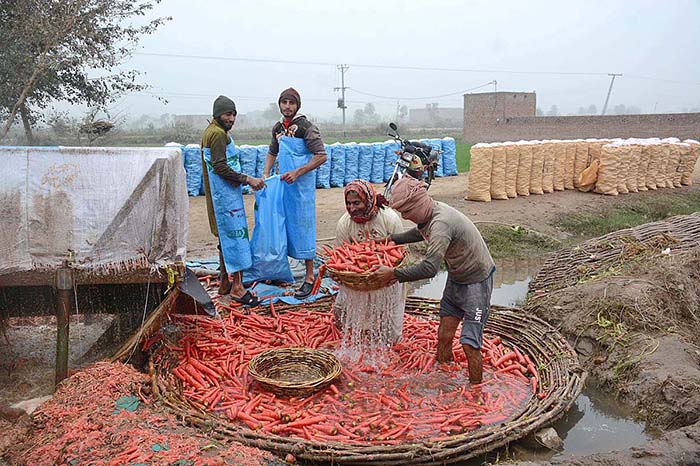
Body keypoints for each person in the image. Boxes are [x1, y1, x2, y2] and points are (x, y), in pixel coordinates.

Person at [370, 176, 496, 384]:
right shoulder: (430, 215)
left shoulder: (441, 223)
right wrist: (391, 239)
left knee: (469, 343)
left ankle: (476, 392)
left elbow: (429, 269)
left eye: (407, 212)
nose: (405, 216)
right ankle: (444, 378)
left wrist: (393, 273)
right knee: (444, 335)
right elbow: (420, 232)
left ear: (419, 203)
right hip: (457, 279)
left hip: (477, 282)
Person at [263, 88, 327, 299]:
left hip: (301, 187)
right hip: (283, 185)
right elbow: (273, 152)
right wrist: (266, 174)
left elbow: (320, 156)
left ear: (297, 105)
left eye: (291, 103)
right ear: (279, 105)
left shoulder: (306, 128)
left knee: (303, 229)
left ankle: (309, 277)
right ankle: (280, 270)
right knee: (281, 227)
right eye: (284, 102)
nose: (287, 106)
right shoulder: (278, 128)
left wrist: (298, 172)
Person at [201, 95, 265, 306]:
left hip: (219, 195)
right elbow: (219, 166)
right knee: (236, 238)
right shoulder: (218, 134)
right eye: (228, 114)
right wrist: (247, 179)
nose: (232, 118)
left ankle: (223, 284)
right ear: (217, 114)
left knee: (225, 239)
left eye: (234, 114)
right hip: (226, 197)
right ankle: (237, 288)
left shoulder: (210, 132)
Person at [333, 180, 405, 342]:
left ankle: (386, 346)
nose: (352, 208)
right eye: (349, 203)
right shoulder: (345, 223)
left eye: (357, 203)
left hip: (388, 278)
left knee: (390, 330)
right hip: (356, 279)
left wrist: (386, 267)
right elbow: (339, 254)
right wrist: (340, 273)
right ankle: (356, 340)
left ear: (368, 200)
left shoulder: (389, 218)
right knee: (340, 311)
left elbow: (400, 253)